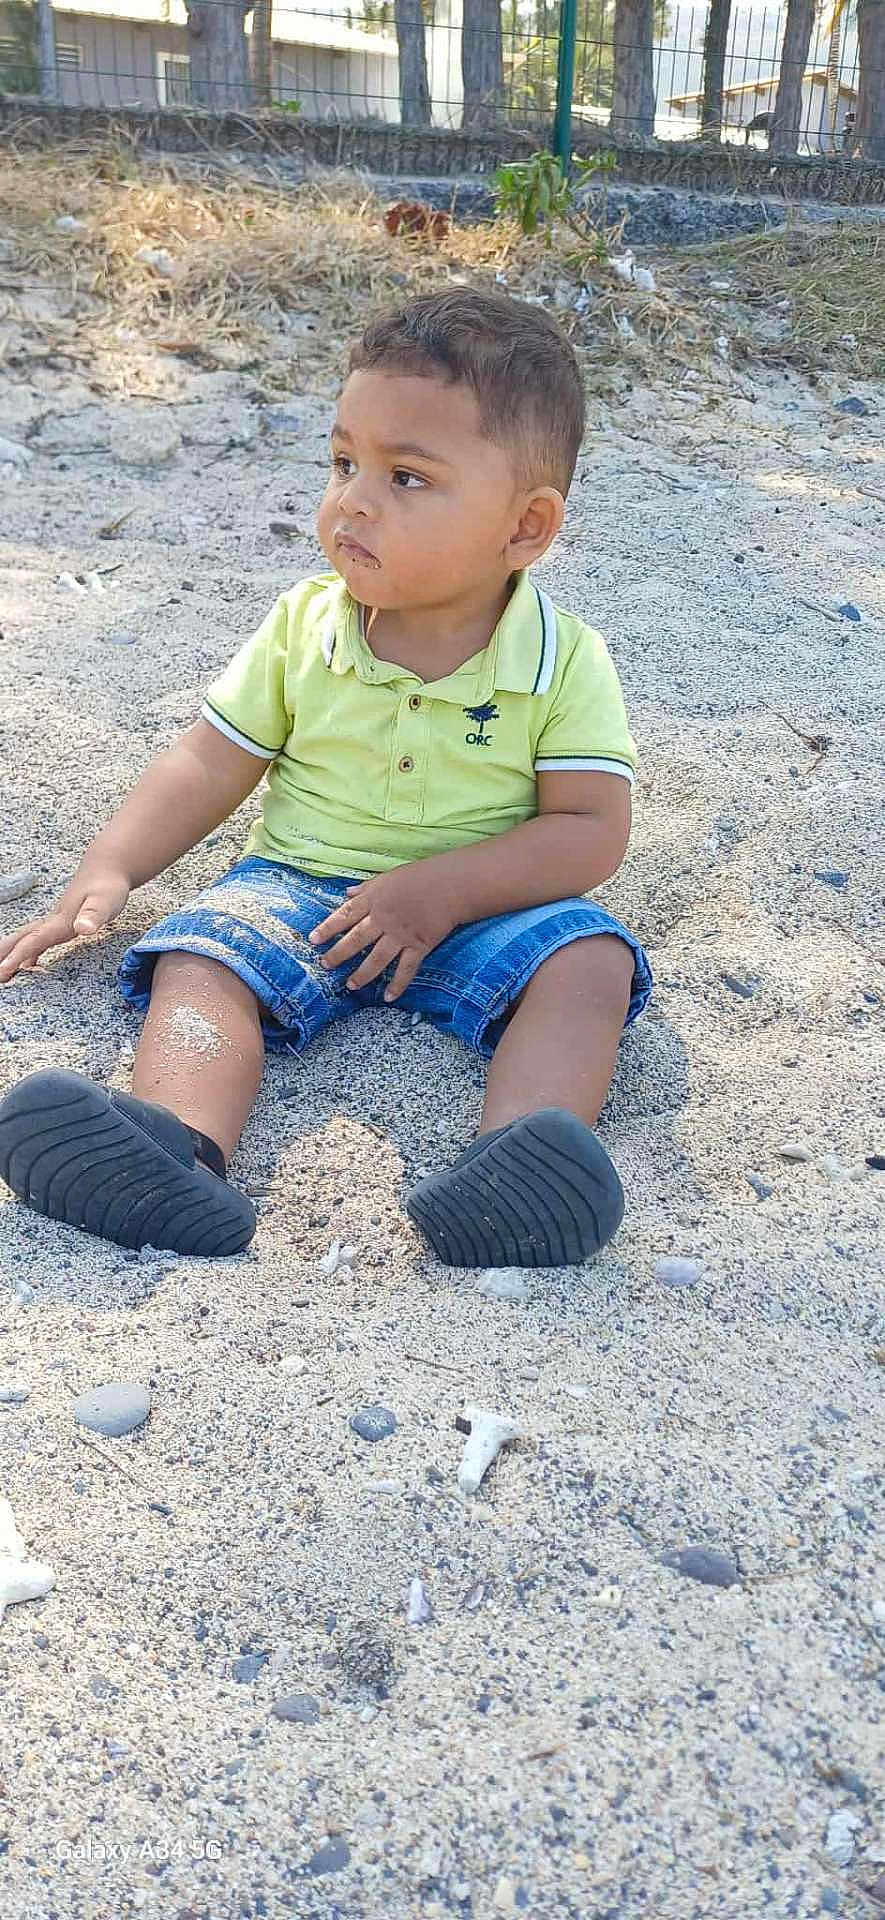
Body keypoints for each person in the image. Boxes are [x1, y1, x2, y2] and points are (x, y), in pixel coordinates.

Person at [0, 288, 652, 1268]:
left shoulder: (565, 659)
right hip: (300, 885)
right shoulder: (303, 626)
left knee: (590, 963)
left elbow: (590, 829)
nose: (354, 501)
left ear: (525, 527)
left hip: (485, 902)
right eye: (344, 462)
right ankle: (175, 1153)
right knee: (204, 959)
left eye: (407, 478)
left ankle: (520, 1166)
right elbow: (209, 758)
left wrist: (443, 890)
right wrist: (112, 866)